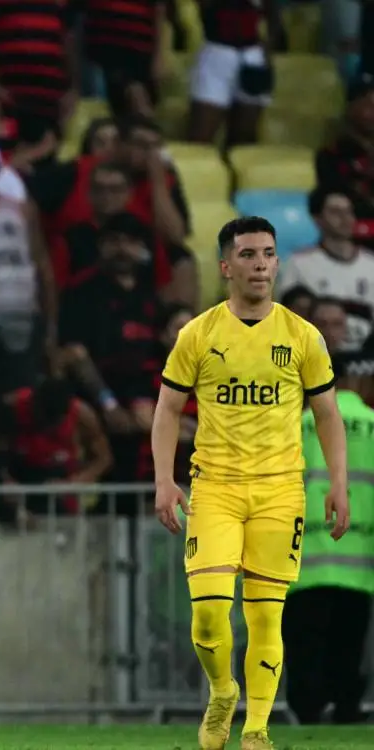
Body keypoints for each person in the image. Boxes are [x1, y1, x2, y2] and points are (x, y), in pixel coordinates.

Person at [152, 216, 352, 750]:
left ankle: (257, 728)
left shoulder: (301, 336)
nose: (259, 263)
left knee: (266, 615)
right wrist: (164, 480)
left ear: (277, 262)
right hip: (214, 487)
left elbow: (327, 414)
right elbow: (168, 408)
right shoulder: (198, 334)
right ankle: (223, 692)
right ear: (225, 266)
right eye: (247, 254)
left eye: (267, 253)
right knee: (210, 617)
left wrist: (338, 484)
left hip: (279, 491)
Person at [284, 351, 374, 725]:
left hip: (304, 560)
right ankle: (347, 706)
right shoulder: (371, 423)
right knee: (348, 646)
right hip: (360, 562)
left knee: (305, 645)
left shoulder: (294, 425)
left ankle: (307, 711)